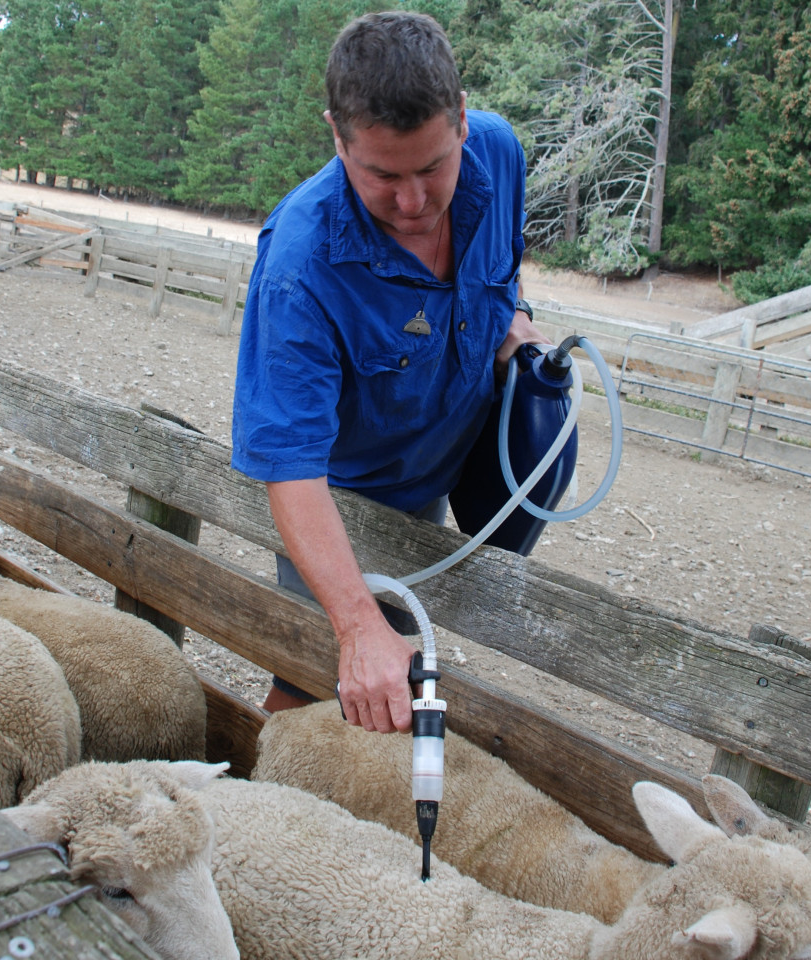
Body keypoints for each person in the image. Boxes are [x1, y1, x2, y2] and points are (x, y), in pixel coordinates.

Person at [231, 10, 549, 735]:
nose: (412, 203)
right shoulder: (301, 267)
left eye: (433, 167)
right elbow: (292, 467)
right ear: (336, 136)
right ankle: (268, 778)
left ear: (463, 121)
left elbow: (503, 263)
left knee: (392, 665)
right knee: (321, 680)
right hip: (342, 500)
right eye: (381, 175)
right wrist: (354, 625)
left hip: (442, 475)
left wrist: (514, 317)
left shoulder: (499, 156)